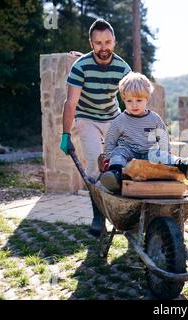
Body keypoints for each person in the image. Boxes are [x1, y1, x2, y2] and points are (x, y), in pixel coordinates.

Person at [60, 18, 131, 237]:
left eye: (107, 42)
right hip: (87, 117)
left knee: (123, 160)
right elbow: (71, 103)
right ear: (91, 43)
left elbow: (133, 98)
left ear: (114, 42)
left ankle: (126, 212)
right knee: (94, 162)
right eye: (98, 43)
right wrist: (65, 134)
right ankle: (98, 216)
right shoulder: (80, 67)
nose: (103, 47)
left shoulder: (122, 68)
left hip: (112, 116)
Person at [99, 72, 188, 192]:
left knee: (161, 155)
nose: (134, 105)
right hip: (128, 153)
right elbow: (110, 141)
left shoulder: (154, 118)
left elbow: (163, 137)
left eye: (139, 100)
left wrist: (165, 153)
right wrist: (108, 159)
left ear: (147, 99)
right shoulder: (120, 120)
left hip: (150, 152)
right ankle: (114, 175)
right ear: (123, 99)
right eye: (129, 101)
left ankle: (185, 166)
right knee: (118, 152)